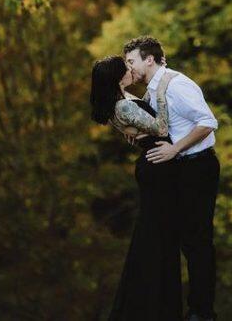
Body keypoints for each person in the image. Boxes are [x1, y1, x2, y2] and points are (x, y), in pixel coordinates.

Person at [124, 36, 220, 321]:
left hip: (197, 167)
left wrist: (175, 149)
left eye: (131, 61)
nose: (129, 68)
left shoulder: (178, 85)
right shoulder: (151, 91)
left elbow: (208, 122)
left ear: (149, 59)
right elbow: (167, 126)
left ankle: (202, 312)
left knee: (197, 241)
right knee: (175, 239)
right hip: (177, 171)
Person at [90, 55, 183, 321]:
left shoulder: (123, 101)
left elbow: (144, 129)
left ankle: (159, 306)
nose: (131, 70)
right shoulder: (123, 107)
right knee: (155, 235)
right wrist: (163, 92)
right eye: (126, 68)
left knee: (160, 234)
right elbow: (161, 127)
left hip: (156, 162)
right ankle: (150, 308)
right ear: (118, 77)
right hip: (158, 166)